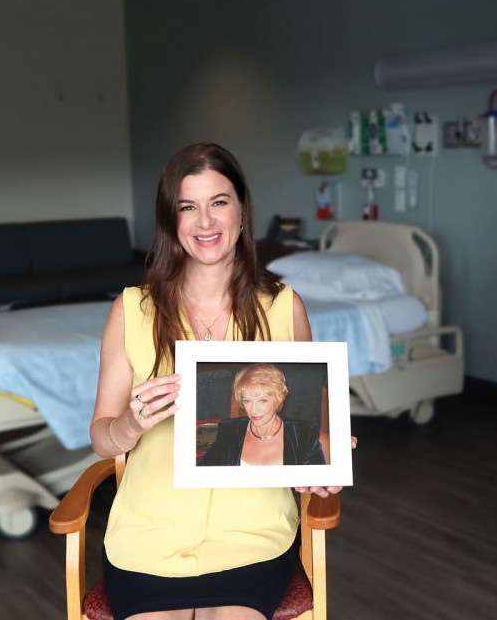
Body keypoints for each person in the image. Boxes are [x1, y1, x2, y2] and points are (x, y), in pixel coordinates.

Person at [89, 142, 353, 620]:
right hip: (149, 535)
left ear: (243, 213)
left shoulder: (284, 307)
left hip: (251, 534)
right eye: (188, 207)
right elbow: (102, 438)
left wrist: (321, 460)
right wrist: (129, 423)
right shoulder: (130, 311)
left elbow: (307, 433)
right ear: (172, 221)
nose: (205, 222)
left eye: (219, 203)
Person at [198, 363, 326, 467]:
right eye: (247, 401)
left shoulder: (304, 434)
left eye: (263, 400)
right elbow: (201, 473)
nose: (253, 410)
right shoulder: (229, 431)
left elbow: (317, 486)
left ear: (279, 399)